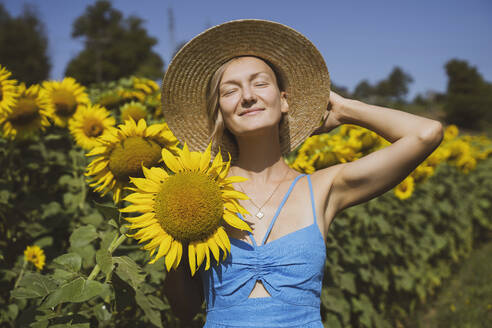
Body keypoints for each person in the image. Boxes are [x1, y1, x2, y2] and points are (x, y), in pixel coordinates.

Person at [161, 19, 443, 327]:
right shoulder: (200, 193)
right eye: (230, 91)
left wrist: (347, 109)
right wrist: (177, 230)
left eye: (260, 83)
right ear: (220, 112)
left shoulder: (323, 188)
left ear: (284, 100)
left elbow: (425, 134)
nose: (247, 96)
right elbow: (184, 308)